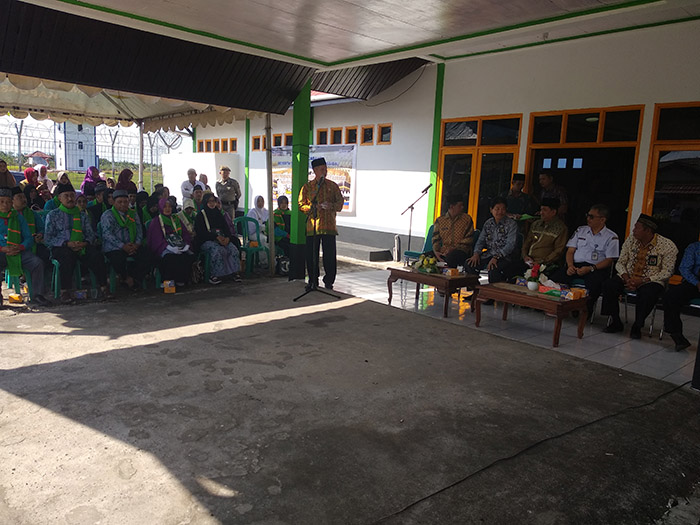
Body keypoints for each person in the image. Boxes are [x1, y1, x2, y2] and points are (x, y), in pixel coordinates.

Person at [601, 214, 677, 339]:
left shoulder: (667, 246)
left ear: (648, 230)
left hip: (651, 279)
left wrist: (643, 280)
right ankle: (615, 321)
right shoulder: (631, 240)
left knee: (648, 293)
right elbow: (620, 262)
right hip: (628, 275)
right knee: (609, 285)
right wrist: (627, 278)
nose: (633, 230)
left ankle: (637, 326)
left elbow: (667, 272)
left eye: (637, 228)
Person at [43, 183, 110, 303]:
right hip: (62, 246)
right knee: (66, 257)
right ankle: (65, 292)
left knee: (97, 256)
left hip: (81, 245)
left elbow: (90, 234)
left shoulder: (82, 215)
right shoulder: (53, 215)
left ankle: (104, 288)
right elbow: (48, 238)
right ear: (60, 198)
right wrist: (67, 243)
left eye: (72, 195)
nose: (70, 199)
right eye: (66, 196)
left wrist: (85, 243)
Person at [550, 204, 619, 315]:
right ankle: (556, 307)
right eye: (587, 215)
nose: (588, 219)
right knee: (555, 279)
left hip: (595, 268)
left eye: (591, 217)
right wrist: (570, 265)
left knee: (594, 285)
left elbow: (609, 260)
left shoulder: (611, 237)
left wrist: (591, 268)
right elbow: (570, 251)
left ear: (602, 219)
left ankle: (584, 310)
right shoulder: (580, 230)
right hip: (575, 265)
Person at [298, 157, 344, 290]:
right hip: (313, 227)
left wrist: (331, 206)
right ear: (315, 171)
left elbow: (340, 204)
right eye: (322, 169)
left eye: (326, 169)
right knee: (311, 255)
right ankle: (313, 281)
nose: (325, 171)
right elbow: (301, 205)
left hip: (329, 226)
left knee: (329, 256)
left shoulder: (333, 186)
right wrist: (314, 207)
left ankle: (329, 281)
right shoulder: (307, 187)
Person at [0, 187, 48, 305]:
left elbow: (28, 238)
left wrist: (20, 247)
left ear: (12, 203)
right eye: (1, 202)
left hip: (19, 250)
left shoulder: (18, 217)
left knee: (37, 263)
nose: (5, 205)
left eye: (8, 202)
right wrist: (3, 248)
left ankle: (37, 295)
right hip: (2, 251)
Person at [100, 189, 150, 291]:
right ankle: (126, 278)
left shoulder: (133, 214)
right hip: (115, 247)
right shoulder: (108, 215)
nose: (123, 204)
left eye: (125, 202)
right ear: (114, 202)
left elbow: (139, 230)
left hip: (133, 245)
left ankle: (134, 278)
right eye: (120, 202)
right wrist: (122, 246)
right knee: (117, 259)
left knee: (148, 255)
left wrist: (136, 244)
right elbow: (107, 234)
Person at [466, 196, 517, 283]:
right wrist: (476, 254)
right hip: (489, 253)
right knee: (469, 264)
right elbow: (481, 240)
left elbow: (510, 245)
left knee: (493, 269)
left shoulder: (512, 224)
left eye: (503, 209)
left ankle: (493, 291)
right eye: (497, 209)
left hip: (505, 256)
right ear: (491, 210)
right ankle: (475, 288)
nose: (500, 212)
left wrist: (496, 257)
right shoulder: (488, 223)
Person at [194, 192, 241, 284]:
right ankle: (214, 275)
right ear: (205, 202)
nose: (212, 203)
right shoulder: (201, 216)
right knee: (217, 250)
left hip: (222, 239)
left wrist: (227, 238)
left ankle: (234, 273)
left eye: (213, 201)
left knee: (233, 249)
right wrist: (216, 237)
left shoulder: (218, 214)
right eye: (209, 201)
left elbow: (226, 228)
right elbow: (201, 233)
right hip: (207, 240)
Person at [147, 197, 195, 286]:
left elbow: (184, 233)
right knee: (170, 258)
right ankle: (167, 282)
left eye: (169, 206)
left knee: (186, 256)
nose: (167, 209)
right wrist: (169, 247)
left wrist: (185, 245)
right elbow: (156, 239)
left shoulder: (176, 219)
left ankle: (180, 279)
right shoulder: (156, 221)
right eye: (165, 207)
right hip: (164, 247)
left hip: (179, 246)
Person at [662, 242, 700, 351]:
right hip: (694, 282)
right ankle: (677, 335)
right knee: (671, 296)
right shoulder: (694, 248)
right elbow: (684, 268)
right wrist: (697, 283)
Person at [519, 198, 568, 271]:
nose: (541, 212)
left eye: (544, 210)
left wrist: (541, 262)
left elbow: (558, 251)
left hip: (546, 264)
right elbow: (526, 243)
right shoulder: (536, 224)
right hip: (528, 261)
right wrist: (525, 256)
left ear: (553, 212)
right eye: (541, 210)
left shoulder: (561, 228)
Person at [429, 193, 475, 269]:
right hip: (444, 251)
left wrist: (454, 248)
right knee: (425, 258)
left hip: (461, 251)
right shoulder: (440, 220)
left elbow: (469, 239)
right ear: (451, 206)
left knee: (451, 257)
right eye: (460, 205)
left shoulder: (467, 219)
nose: (462, 207)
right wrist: (437, 252)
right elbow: (435, 239)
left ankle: (450, 275)